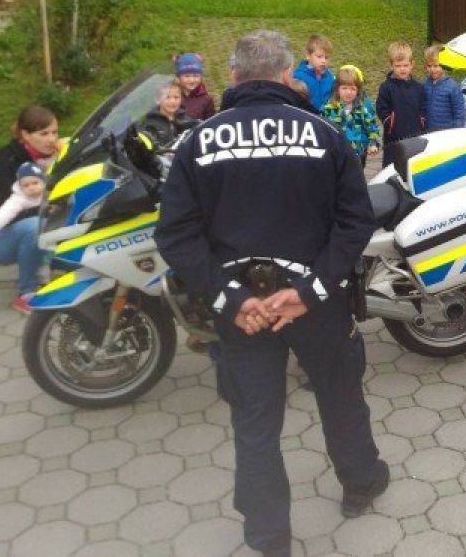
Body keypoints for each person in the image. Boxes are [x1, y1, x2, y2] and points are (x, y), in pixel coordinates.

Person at [155, 30, 387, 557]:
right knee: (340, 395)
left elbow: (175, 234)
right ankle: (360, 483)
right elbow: (356, 221)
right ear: (287, 75)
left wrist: (230, 300)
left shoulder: (198, 141)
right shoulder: (325, 134)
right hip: (316, 304)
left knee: (255, 422)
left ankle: (268, 536)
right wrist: (311, 291)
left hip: (244, 312)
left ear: (234, 76)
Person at [0, 105, 59, 314]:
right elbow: (2, 210)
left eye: (54, 132)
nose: (51, 139)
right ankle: (26, 293)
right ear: (25, 135)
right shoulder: (6, 162)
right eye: (44, 134)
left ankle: (54, 271)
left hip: (30, 222)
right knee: (35, 226)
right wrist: (48, 209)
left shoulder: (52, 156)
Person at [375, 41, 426, 167]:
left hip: (415, 136)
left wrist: (422, 122)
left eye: (405, 65)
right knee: (391, 168)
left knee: (412, 167)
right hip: (393, 138)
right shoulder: (386, 87)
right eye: (398, 66)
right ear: (391, 65)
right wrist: (390, 123)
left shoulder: (418, 87)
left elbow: (423, 108)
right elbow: (381, 109)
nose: (402, 69)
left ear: (412, 64)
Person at [322, 65, 381, 165]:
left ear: (358, 91)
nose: (348, 92)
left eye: (353, 89)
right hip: (335, 155)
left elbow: (372, 128)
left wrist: (373, 144)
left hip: (357, 155)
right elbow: (321, 130)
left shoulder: (362, 110)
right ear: (337, 89)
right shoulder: (328, 109)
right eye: (344, 88)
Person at [422, 43, 466, 131]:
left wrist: (457, 131)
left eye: (436, 66)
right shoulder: (426, 84)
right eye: (429, 66)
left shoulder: (452, 87)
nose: (432, 69)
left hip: (447, 132)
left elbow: (459, 113)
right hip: (429, 131)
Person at [141, 79, 196, 148]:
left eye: (176, 97)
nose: (172, 101)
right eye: (167, 97)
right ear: (157, 100)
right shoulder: (149, 125)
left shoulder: (187, 121)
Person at [292, 35, 335, 112]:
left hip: (325, 117)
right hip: (306, 116)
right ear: (308, 55)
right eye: (319, 57)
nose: (323, 61)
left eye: (326, 57)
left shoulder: (330, 77)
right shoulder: (298, 77)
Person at [174, 52, 216, 120]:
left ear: (201, 77)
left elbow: (211, 123)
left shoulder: (207, 100)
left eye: (196, 76)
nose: (191, 80)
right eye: (186, 76)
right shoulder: (172, 96)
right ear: (179, 77)